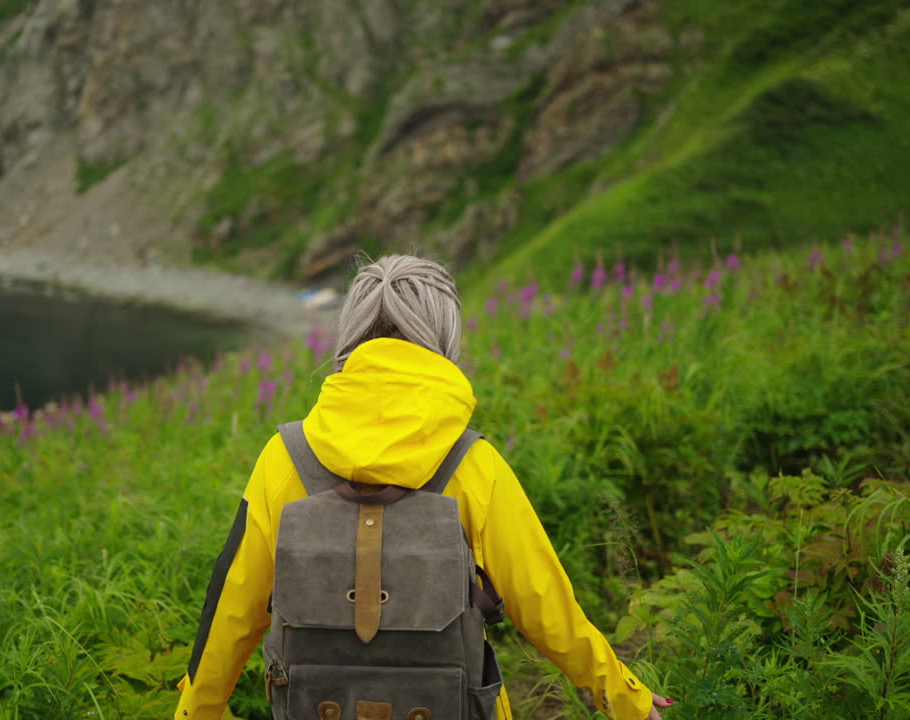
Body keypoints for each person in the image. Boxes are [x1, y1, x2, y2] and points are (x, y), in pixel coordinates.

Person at [174, 255, 674, 720]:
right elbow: (542, 600)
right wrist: (624, 697)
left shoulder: (285, 458)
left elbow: (231, 613)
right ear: (444, 335)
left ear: (349, 333)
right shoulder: (472, 463)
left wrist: (193, 712)